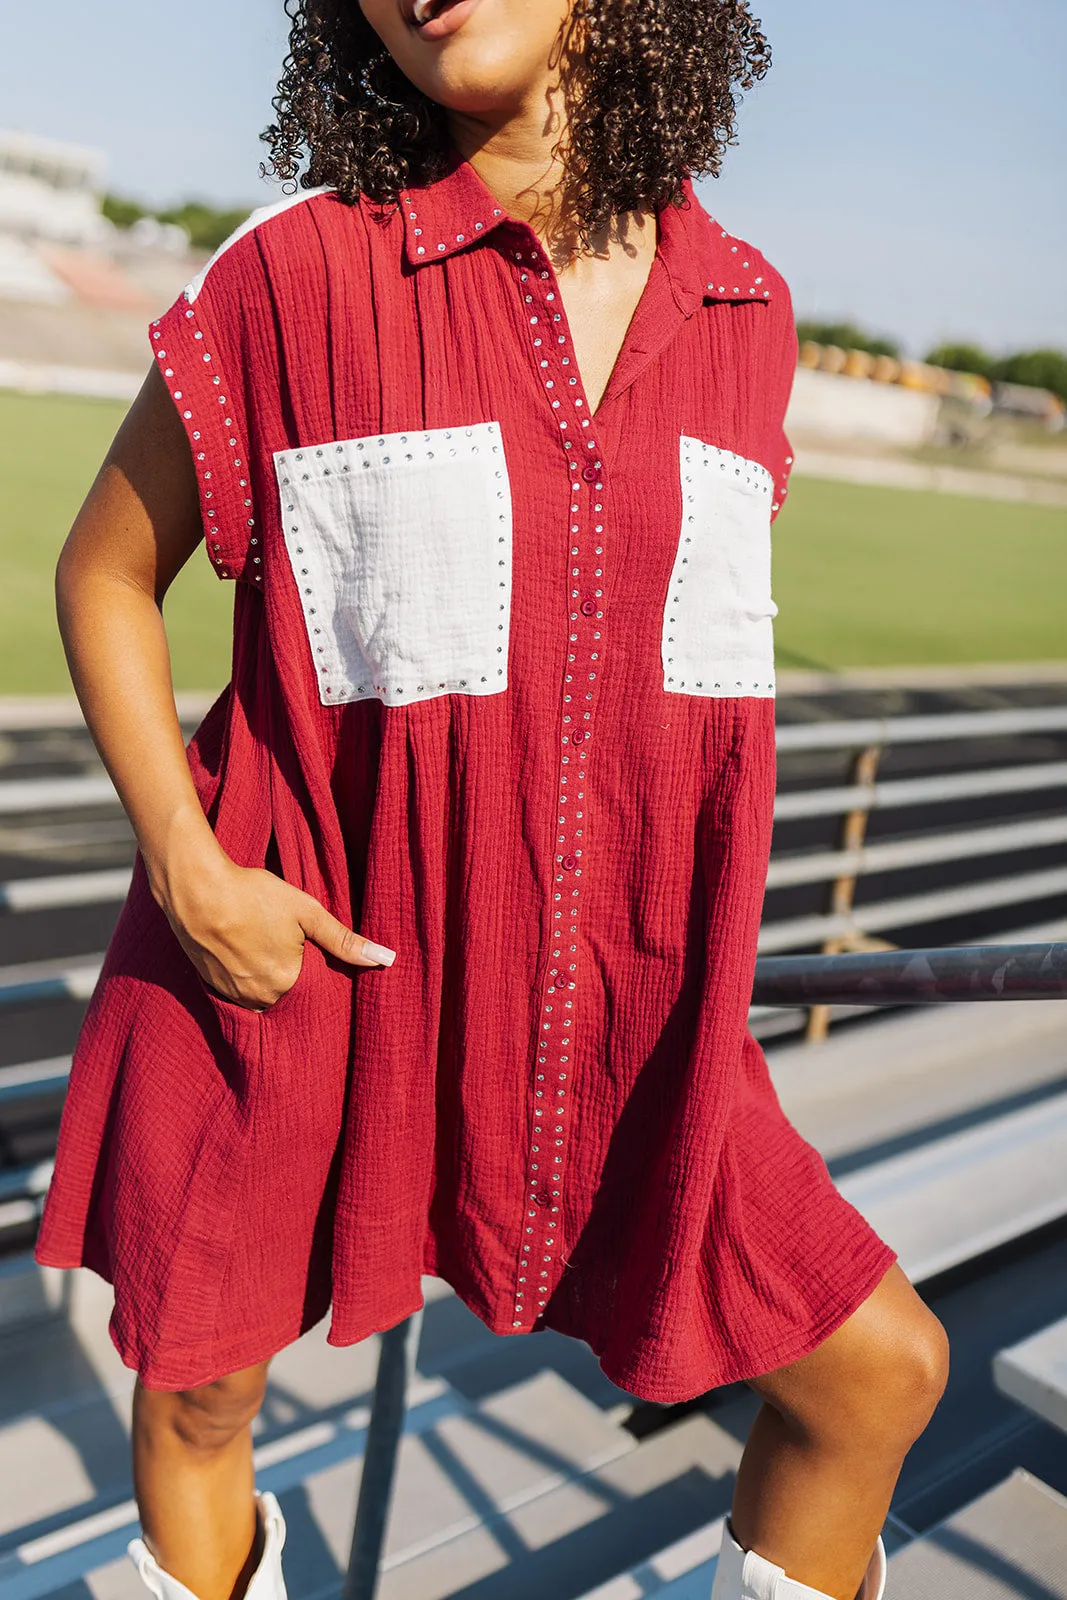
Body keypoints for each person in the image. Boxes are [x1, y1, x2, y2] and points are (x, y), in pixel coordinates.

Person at [36, 3, 949, 1599]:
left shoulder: (747, 310)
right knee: (199, 1390)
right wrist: (187, 863)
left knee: (876, 1370)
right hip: (304, 965)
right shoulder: (296, 272)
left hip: (626, 1012)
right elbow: (106, 570)